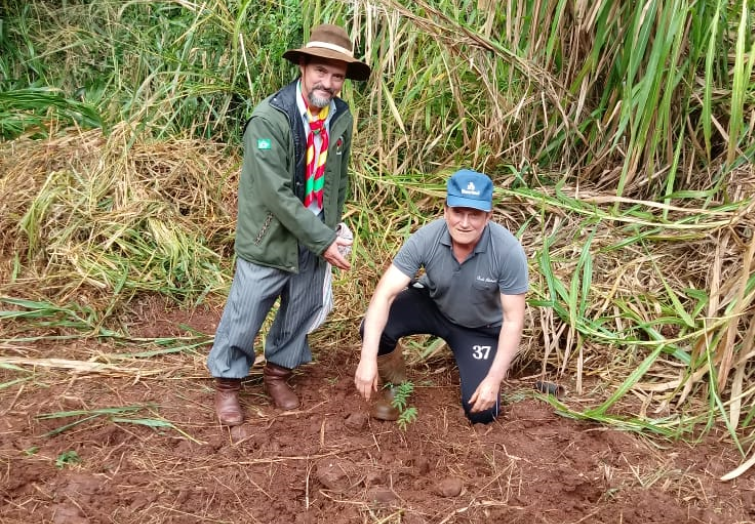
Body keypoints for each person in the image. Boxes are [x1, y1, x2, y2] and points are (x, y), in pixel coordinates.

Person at [208, 23, 370, 425]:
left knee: (302, 305)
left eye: (337, 76)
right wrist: (322, 239)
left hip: (316, 234)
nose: (328, 83)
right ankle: (228, 384)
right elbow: (275, 194)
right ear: (302, 67)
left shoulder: (340, 116)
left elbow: (337, 177)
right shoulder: (270, 119)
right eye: (320, 70)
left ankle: (278, 373)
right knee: (247, 310)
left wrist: (331, 225)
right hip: (270, 234)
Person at [355, 170, 529, 424]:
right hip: (435, 306)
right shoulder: (427, 238)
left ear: (488, 216)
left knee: (482, 413)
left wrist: (494, 379)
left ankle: (485, 368)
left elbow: (513, 321)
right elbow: (384, 293)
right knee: (375, 328)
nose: (465, 223)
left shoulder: (507, 251)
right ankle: (395, 386)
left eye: (475, 215)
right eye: (458, 212)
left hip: (479, 329)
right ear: (445, 210)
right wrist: (367, 358)